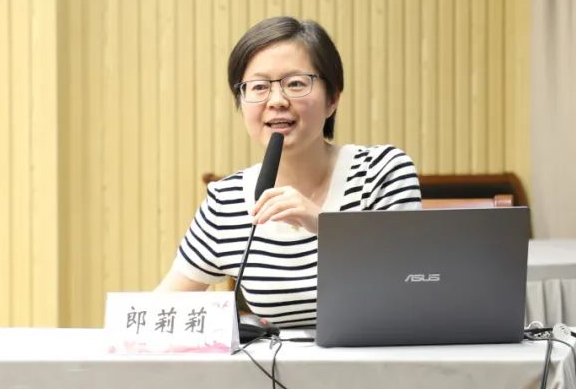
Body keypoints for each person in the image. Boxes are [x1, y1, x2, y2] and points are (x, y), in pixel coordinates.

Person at [156, 16, 421, 327]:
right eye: (258, 87)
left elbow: (413, 283)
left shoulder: (381, 172)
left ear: (332, 99)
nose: (277, 101)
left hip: (378, 357)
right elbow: (163, 308)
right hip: (273, 361)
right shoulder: (226, 199)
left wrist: (325, 226)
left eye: (295, 83)